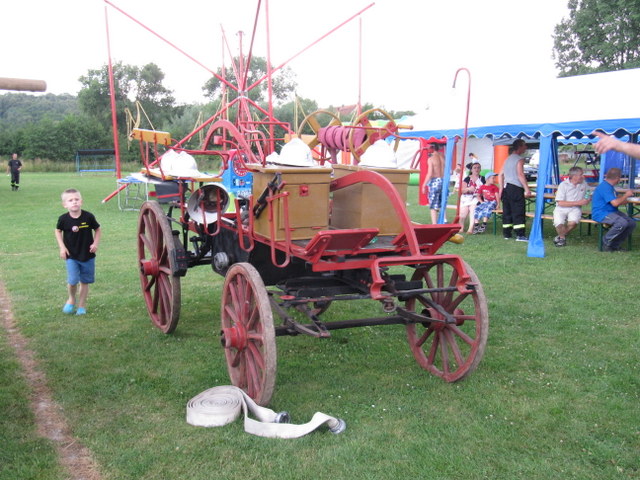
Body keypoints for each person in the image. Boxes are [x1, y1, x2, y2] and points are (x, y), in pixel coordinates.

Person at [54, 189, 102, 315]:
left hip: (87, 255)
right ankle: (71, 299)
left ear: (81, 201)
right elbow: (58, 231)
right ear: (65, 204)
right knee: (73, 280)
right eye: (70, 200)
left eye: (76, 199)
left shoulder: (89, 216)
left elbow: (98, 229)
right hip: (71, 256)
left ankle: (82, 305)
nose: (74, 202)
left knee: (84, 282)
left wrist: (95, 243)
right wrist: (62, 247)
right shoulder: (63, 219)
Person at [590, 167, 636, 252]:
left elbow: (617, 199)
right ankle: (606, 242)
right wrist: (626, 195)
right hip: (601, 213)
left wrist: (629, 200)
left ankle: (614, 245)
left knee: (631, 223)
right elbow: (615, 203)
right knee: (622, 223)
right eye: (620, 177)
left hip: (612, 212)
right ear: (617, 178)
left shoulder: (610, 187)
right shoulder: (605, 187)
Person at [499, 139, 532, 241]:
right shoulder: (519, 159)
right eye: (524, 145)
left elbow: (501, 174)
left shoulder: (507, 159)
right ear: (520, 147)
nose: (526, 147)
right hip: (516, 188)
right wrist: (527, 189)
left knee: (507, 211)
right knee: (518, 211)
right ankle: (520, 234)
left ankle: (507, 234)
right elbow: (520, 175)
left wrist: (501, 188)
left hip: (507, 187)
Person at [552, 166, 590, 247]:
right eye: (581, 174)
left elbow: (588, 193)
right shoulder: (563, 185)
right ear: (574, 176)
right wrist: (578, 202)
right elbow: (560, 203)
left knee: (573, 223)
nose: (583, 176)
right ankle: (562, 238)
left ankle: (561, 237)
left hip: (575, 208)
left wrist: (587, 199)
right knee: (558, 223)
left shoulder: (584, 184)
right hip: (561, 208)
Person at [421, 143, 445, 224]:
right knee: (442, 201)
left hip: (435, 181)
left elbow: (430, 173)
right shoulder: (443, 157)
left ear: (432, 148)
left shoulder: (431, 159)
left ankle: (434, 224)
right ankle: (444, 220)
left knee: (433, 205)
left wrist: (424, 185)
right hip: (443, 180)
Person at [458, 161, 485, 234]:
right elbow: (462, 190)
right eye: (475, 168)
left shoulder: (482, 179)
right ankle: (461, 227)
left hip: (476, 198)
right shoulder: (467, 179)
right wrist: (469, 189)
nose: (477, 169)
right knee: (463, 213)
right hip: (466, 197)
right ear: (471, 170)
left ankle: (470, 229)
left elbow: (486, 189)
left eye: (478, 168)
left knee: (473, 209)